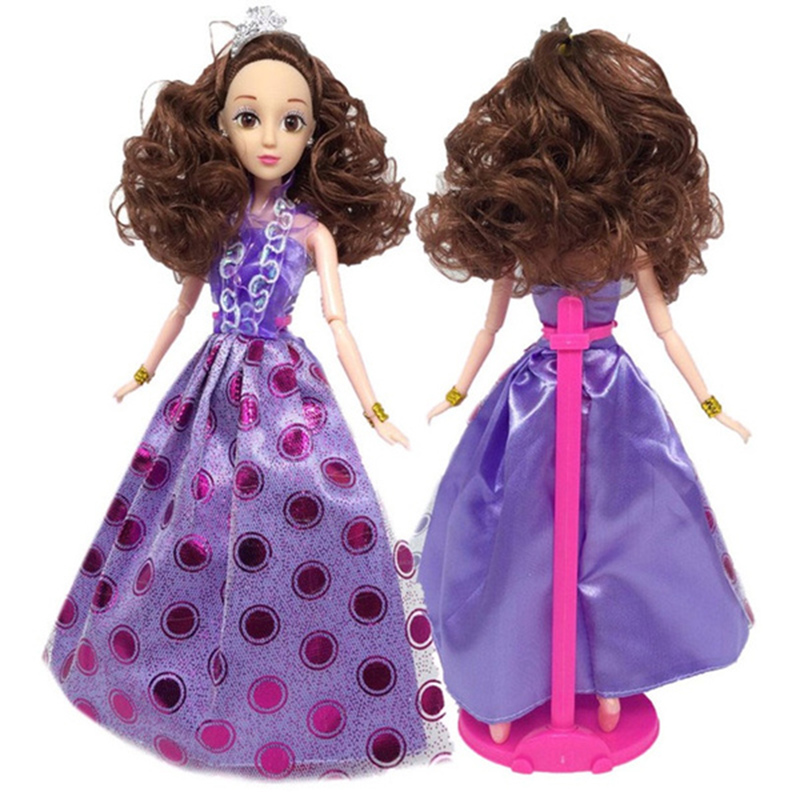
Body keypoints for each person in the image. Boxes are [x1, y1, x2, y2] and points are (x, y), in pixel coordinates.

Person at [45, 6, 449, 778]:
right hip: (212, 383)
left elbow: (340, 322)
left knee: (319, 511)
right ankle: (173, 666)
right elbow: (181, 306)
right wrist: (141, 372)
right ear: (219, 126)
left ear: (313, 133)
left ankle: (306, 670)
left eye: (290, 120)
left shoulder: (311, 232)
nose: (270, 137)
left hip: (287, 388)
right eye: (248, 117)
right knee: (187, 515)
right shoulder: (219, 220)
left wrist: (375, 411)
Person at [415, 19, 752, 746]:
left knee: (619, 539)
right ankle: (507, 684)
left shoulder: (627, 240)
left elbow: (665, 328)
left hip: (608, 394)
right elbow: (489, 326)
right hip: (537, 392)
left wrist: (712, 404)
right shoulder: (523, 236)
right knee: (516, 538)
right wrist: (457, 390)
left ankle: (608, 685)